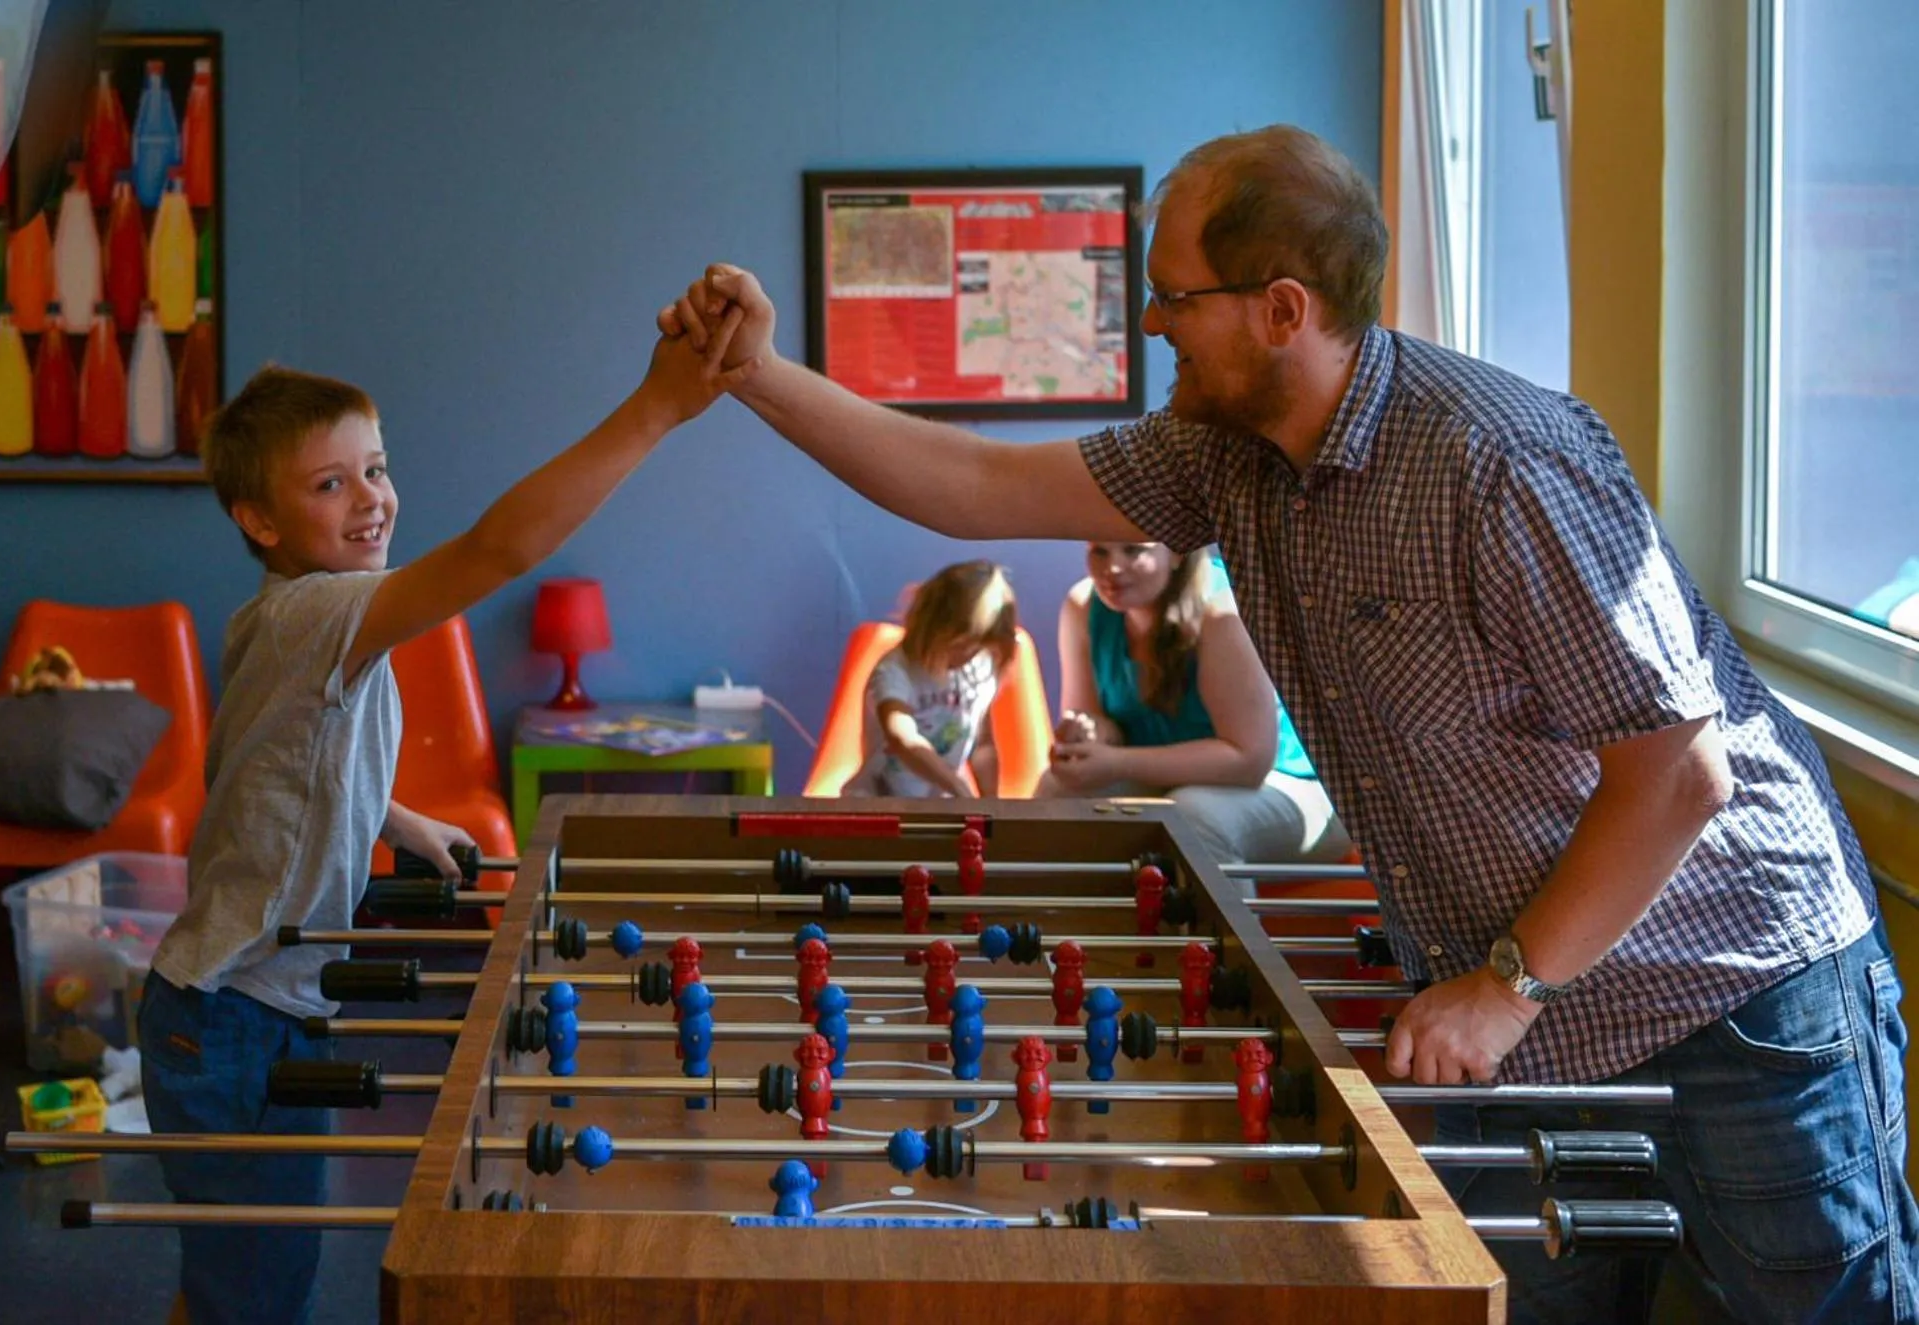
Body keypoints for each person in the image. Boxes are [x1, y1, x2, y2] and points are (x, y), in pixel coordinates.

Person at [660, 125, 1918, 1323]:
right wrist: (756, 374)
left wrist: (1506, 984)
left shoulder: (1498, 460)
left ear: (1279, 309)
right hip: (1512, 1006)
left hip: (1726, 990)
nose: (1148, 322)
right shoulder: (1221, 454)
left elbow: (1678, 769)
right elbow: (971, 483)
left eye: (1172, 297)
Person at [139, 314, 753, 1325]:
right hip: (231, 1016)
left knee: (239, 1282)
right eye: (327, 483)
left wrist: (404, 817)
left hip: (265, 1003)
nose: (370, 498)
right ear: (259, 518)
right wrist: (655, 410)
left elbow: (283, 770)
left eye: (374, 468)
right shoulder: (320, 611)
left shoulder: (304, 618)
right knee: (253, 1293)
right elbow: (497, 547)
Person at [1039, 539, 1349, 865]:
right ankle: (1053, 915)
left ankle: (1225, 918)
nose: (1112, 568)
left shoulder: (1223, 612)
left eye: (1133, 550)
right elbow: (1098, 722)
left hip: (1299, 785)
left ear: (1176, 551)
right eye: (1099, 551)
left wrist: (1115, 762)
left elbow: (1248, 761)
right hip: (1177, 783)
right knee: (1058, 790)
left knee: (1193, 817)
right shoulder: (1084, 604)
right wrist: (1087, 734)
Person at [841, 559, 1017, 799]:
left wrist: (991, 805)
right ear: (930, 626)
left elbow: (982, 745)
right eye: (958, 646)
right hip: (880, 800)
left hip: (941, 802)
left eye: (976, 648)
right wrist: (955, 785)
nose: (967, 656)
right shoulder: (894, 672)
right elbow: (903, 738)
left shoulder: (979, 668)